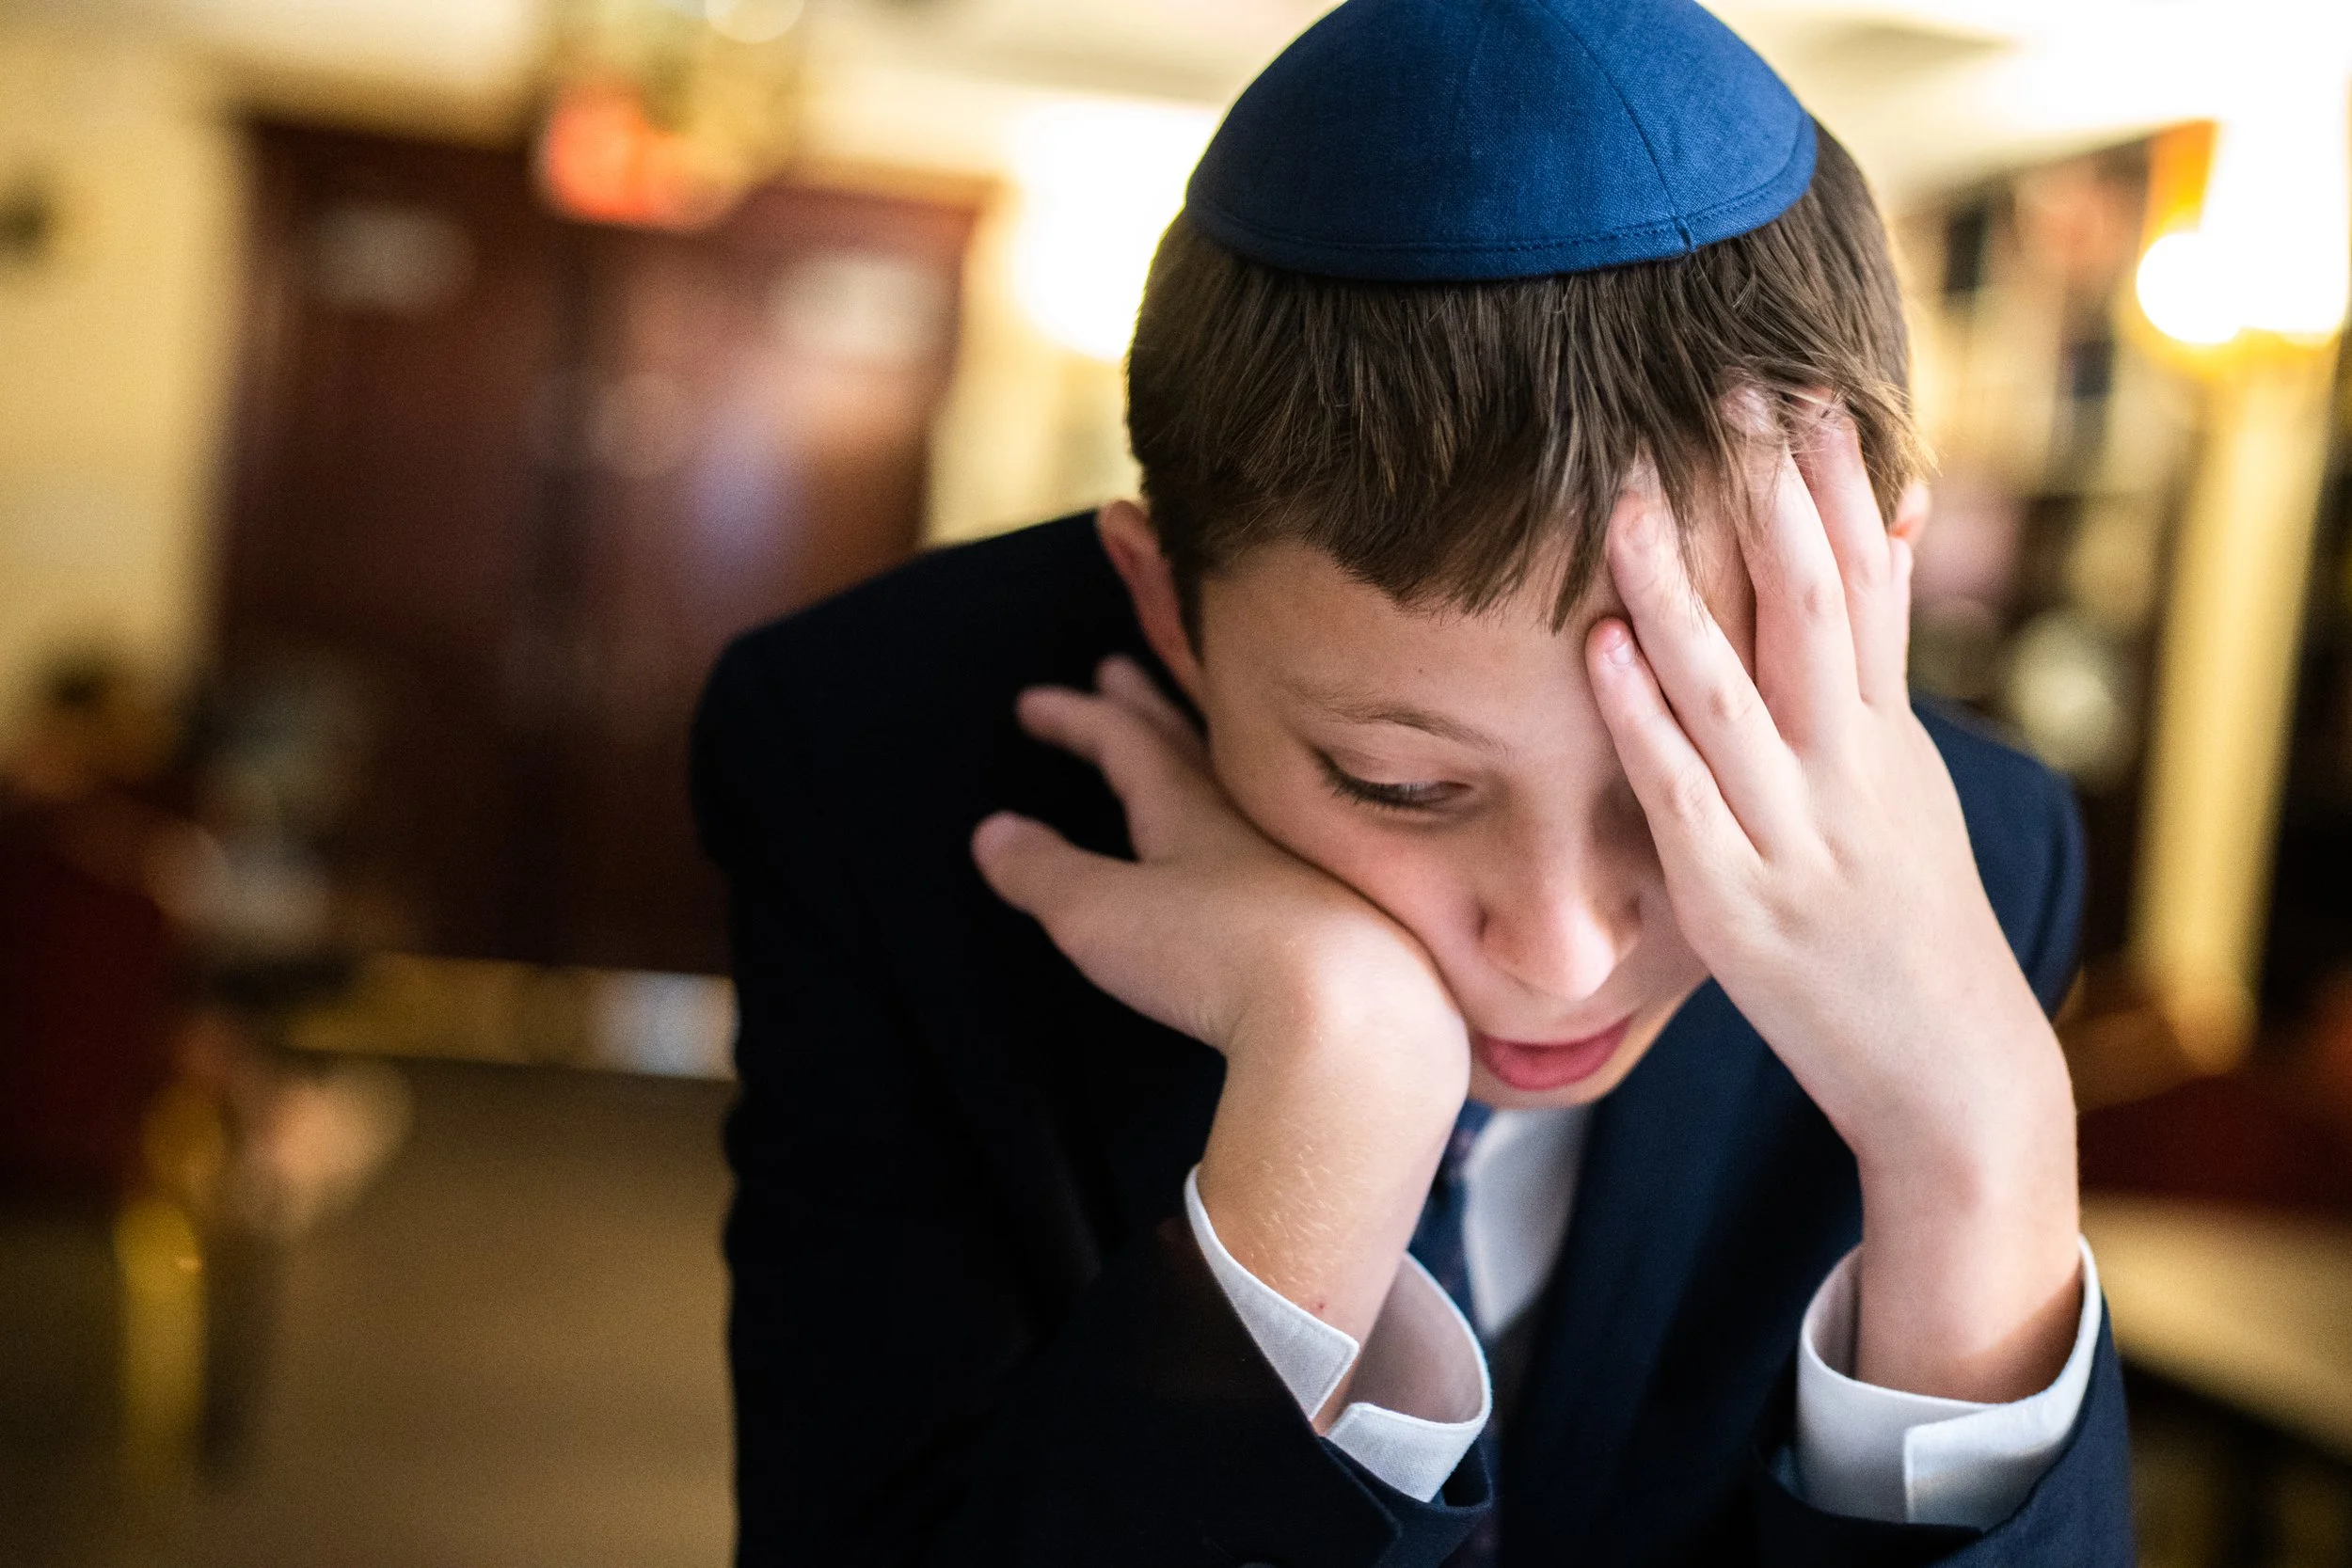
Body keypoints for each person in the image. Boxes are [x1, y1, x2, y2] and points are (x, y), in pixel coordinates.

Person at [691, 0, 2133, 1561]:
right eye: (1397, 781)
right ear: (1168, 605)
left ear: (1867, 605)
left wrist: (1981, 1141)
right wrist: (1332, 1085)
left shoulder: (1992, 857)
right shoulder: (876, 761)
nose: (1563, 950)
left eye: (1684, 782)